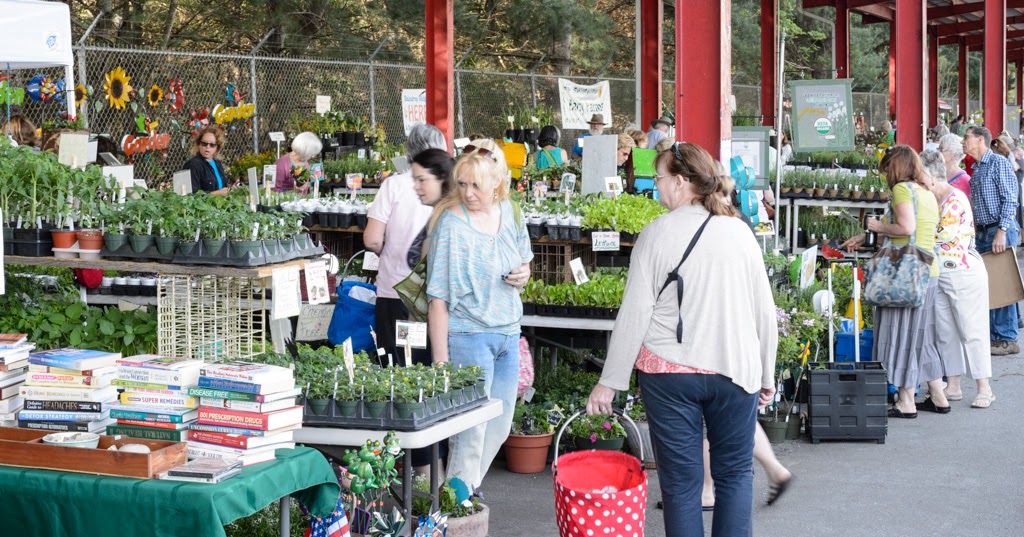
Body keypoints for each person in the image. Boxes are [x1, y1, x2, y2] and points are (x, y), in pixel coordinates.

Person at [586, 142, 778, 537]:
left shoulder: (656, 233)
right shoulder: (739, 232)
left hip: (669, 372)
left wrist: (611, 380)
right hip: (735, 370)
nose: (655, 186)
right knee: (735, 475)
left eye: (658, 178)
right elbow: (764, 310)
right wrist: (767, 373)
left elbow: (635, 313)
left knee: (681, 485)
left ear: (679, 182)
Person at [426, 148, 533, 490]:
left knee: (499, 426)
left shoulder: (511, 212)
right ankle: (458, 501)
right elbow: (437, 298)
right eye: (462, 184)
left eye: (476, 185)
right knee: (470, 433)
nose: (468, 193)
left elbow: (525, 262)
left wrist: (523, 273)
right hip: (468, 336)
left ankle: (461, 493)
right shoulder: (451, 224)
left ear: (497, 184)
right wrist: (441, 361)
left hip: (508, 335)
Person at [841, 145, 946, 418]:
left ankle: (906, 401)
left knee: (901, 334)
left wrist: (876, 226)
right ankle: (938, 395)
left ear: (896, 167)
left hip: (905, 274)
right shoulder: (926, 191)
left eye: (887, 169)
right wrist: (865, 237)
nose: (886, 175)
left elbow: (906, 228)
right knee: (922, 336)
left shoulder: (902, 189)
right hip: (927, 271)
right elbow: (912, 231)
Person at [364, 124, 448, 364]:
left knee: (397, 363)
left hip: (395, 291)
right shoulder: (448, 188)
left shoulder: (394, 185)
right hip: (434, 296)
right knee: (425, 362)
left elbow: (372, 239)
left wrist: (389, 252)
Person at [919, 150, 995, 409]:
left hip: (964, 272)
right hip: (940, 273)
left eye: (919, 176)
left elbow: (940, 235)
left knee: (972, 330)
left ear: (930, 176)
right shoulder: (934, 199)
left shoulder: (955, 199)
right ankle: (953, 385)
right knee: (945, 331)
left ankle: (985, 388)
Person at [963, 126, 1021, 355]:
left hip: (998, 229)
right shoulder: (976, 168)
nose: (963, 141)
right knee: (991, 285)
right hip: (985, 231)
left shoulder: (998, 163)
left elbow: (1010, 199)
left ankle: (1006, 339)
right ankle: (998, 336)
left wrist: (1002, 231)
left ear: (980, 139)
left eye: (966, 137)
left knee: (1002, 284)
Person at [183, 127, 234, 195]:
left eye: (212, 145)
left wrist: (231, 189)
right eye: (204, 143)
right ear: (199, 144)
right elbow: (191, 195)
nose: (207, 147)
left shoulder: (217, 163)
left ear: (217, 147)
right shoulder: (193, 165)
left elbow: (222, 187)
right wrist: (217, 193)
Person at [938, 133, 971, 198]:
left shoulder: (965, 181)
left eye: (941, 149)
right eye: (938, 148)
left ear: (954, 155)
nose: (938, 152)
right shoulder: (937, 173)